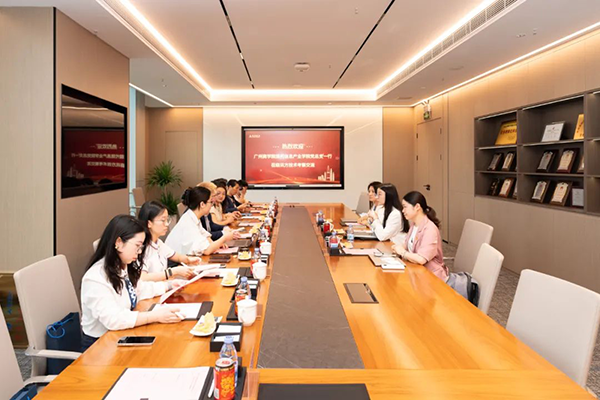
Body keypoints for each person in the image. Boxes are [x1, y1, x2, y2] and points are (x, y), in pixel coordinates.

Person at [80, 215, 183, 351]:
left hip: (120, 335)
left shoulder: (122, 265)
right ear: (119, 242)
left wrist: (169, 285)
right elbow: (114, 319)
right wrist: (155, 316)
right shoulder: (95, 278)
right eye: (137, 246)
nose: (139, 252)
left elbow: (138, 289)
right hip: (100, 345)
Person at [393, 191, 449, 281]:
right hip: (416, 271)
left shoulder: (430, 229)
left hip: (431, 276)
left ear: (417, 207)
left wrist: (403, 252)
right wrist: (398, 249)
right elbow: (407, 245)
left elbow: (421, 259)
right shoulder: (414, 224)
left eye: (405, 207)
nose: (403, 211)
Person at [138, 201, 200, 282]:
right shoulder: (141, 247)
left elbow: (177, 257)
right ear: (149, 223)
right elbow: (143, 278)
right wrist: (172, 272)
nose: (167, 224)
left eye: (167, 220)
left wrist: (189, 260)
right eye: (163, 220)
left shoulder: (159, 243)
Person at [166, 186, 237, 255]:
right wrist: (224, 238)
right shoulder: (188, 222)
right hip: (177, 261)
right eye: (210, 202)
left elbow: (206, 236)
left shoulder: (194, 217)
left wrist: (216, 244)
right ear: (202, 204)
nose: (212, 205)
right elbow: (206, 250)